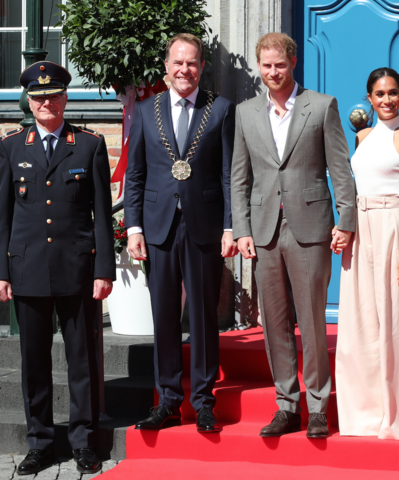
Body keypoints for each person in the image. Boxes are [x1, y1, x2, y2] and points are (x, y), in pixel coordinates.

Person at [0, 61, 115, 475]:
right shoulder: (11, 146)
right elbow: (3, 218)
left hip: (78, 271)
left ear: (66, 98)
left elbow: (101, 212)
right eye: (39, 97)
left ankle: (83, 441)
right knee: (34, 363)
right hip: (27, 271)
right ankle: (40, 442)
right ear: (29, 101)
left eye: (54, 95)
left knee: (82, 362)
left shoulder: (89, 145)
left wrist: (105, 271)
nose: (47, 103)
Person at [231, 32, 356, 439]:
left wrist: (346, 221)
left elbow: (341, 169)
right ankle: (286, 404)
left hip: (311, 228)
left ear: (293, 62)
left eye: (279, 65)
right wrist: (242, 229)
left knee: (312, 320)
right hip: (264, 231)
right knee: (274, 323)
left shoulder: (321, 106)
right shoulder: (246, 112)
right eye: (265, 66)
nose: (272, 72)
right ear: (258, 66)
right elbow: (239, 179)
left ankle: (318, 405)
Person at [125, 33, 237, 434]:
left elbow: (228, 175)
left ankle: (204, 401)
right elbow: (134, 174)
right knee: (164, 316)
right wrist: (133, 227)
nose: (184, 69)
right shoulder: (145, 110)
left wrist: (230, 226)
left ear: (201, 66)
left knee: (204, 317)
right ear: (166, 67)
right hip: (157, 227)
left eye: (192, 63)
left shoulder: (221, 110)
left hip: (204, 226)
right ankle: (168, 400)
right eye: (178, 62)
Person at [335, 67, 399, 440]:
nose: (386, 100)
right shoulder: (362, 136)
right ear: (369, 98)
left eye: (392, 93)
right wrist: (344, 228)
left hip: (395, 227)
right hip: (362, 229)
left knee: (397, 324)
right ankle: (363, 417)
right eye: (379, 94)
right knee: (360, 324)